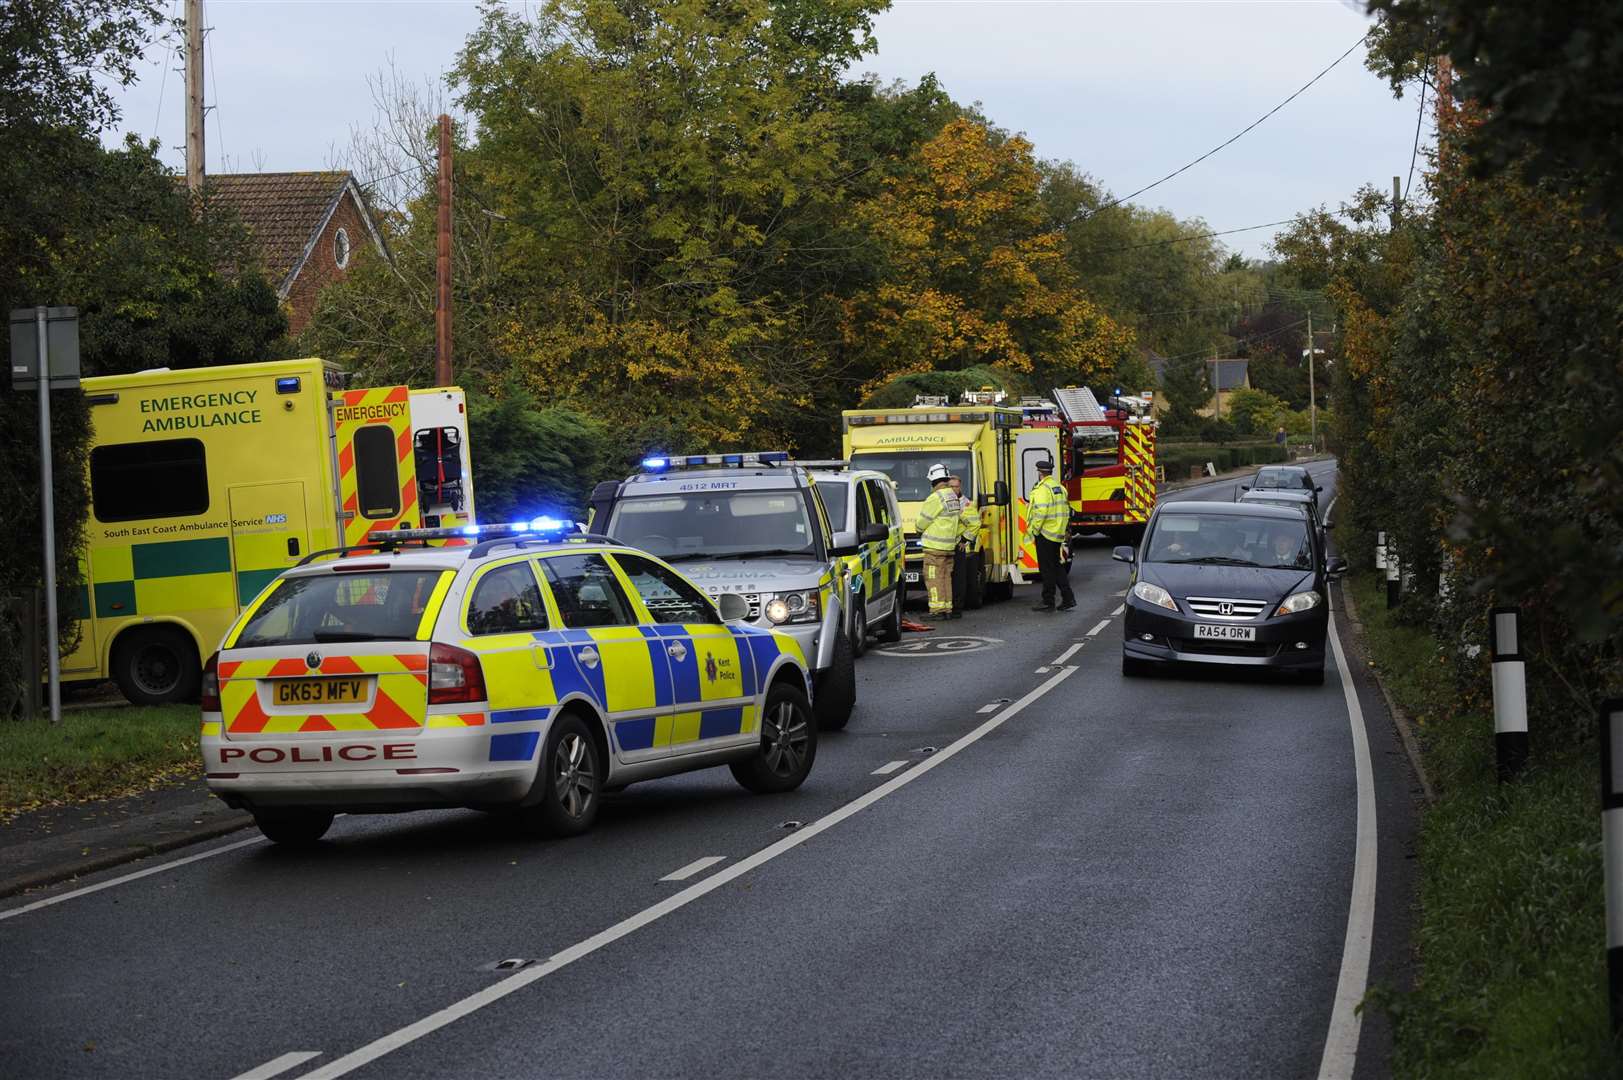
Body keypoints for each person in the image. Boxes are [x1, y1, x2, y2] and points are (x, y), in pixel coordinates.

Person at [912, 463, 963, 621]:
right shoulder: (952, 496)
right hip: (948, 547)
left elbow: (921, 523)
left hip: (934, 548)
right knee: (946, 578)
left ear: (933, 481)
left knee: (934, 578)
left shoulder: (935, 498)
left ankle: (937, 610)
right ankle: (947, 608)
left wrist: (918, 529)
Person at [1024, 459, 1075, 612]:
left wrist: (1035, 530)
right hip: (1057, 533)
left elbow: (1041, 511)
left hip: (1045, 534)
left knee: (1047, 569)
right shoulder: (1059, 488)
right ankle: (1068, 598)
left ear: (1040, 473)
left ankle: (1048, 601)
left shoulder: (1042, 489)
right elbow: (1067, 510)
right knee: (1056, 566)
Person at [947, 474, 980, 614]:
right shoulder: (945, 500)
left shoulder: (966, 504)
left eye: (956, 486)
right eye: (951, 486)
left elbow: (975, 524)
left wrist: (964, 540)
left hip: (957, 545)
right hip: (946, 545)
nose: (954, 489)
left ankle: (957, 605)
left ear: (960, 487)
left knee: (959, 578)